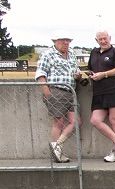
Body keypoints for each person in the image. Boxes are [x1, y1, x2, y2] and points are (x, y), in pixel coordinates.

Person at [34, 32, 85, 163]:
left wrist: (78, 76)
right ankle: (57, 153)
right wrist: (48, 93)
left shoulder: (72, 54)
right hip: (56, 90)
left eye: (68, 40)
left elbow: (75, 70)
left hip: (71, 91)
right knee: (59, 123)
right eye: (63, 40)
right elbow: (40, 73)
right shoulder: (48, 54)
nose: (66, 43)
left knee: (76, 122)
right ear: (55, 41)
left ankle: (57, 146)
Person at [86, 31, 115, 162]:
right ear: (96, 40)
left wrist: (104, 74)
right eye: (100, 39)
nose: (103, 41)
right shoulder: (93, 53)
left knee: (114, 119)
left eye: (105, 38)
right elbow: (90, 69)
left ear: (110, 38)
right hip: (98, 92)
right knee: (95, 120)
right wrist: (90, 75)